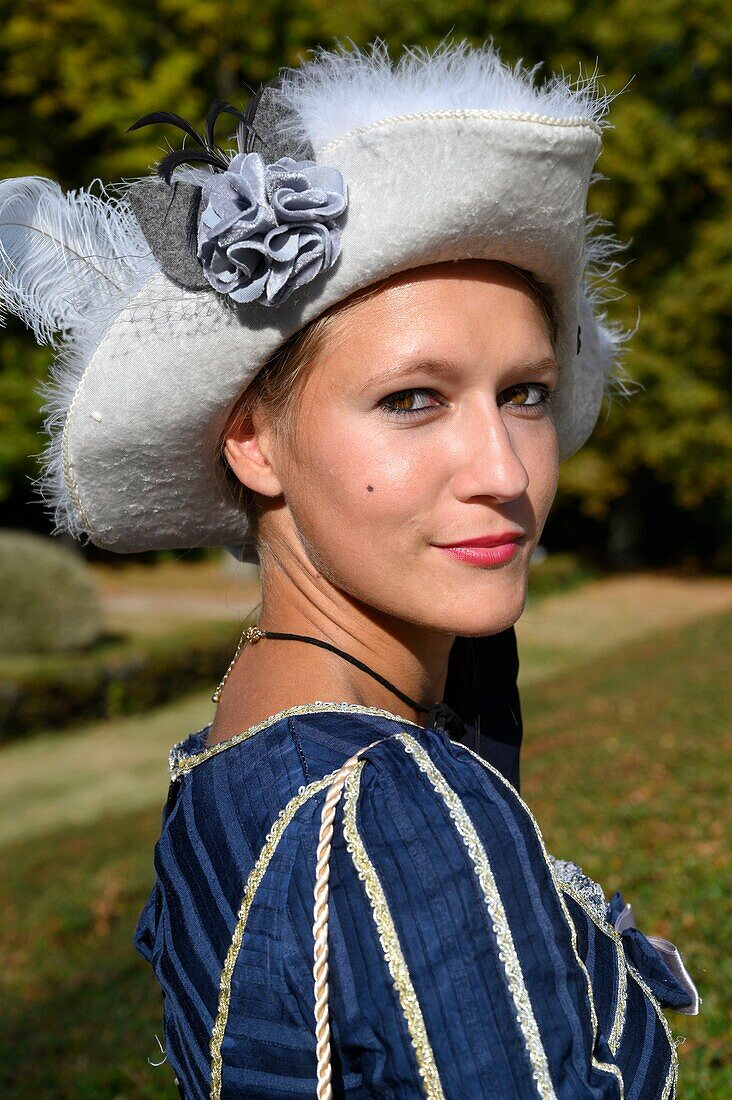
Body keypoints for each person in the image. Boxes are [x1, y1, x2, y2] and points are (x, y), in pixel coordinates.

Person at [0, 36, 700, 1100]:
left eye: (524, 392)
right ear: (254, 441)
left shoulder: (248, 724)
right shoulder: (399, 810)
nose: (504, 470)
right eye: (412, 399)